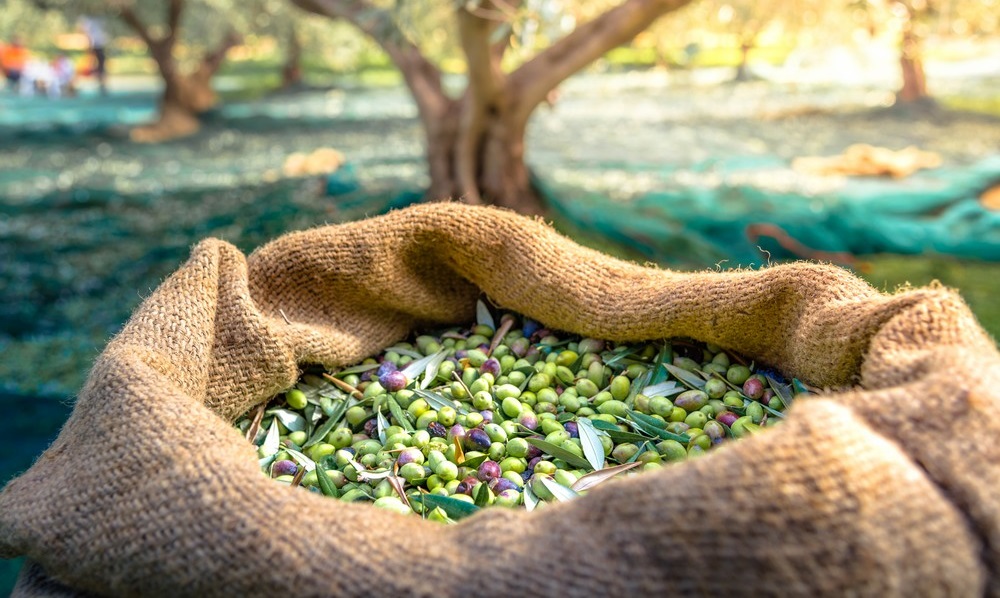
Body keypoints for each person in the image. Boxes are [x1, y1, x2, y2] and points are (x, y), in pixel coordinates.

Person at [78, 16, 108, 94]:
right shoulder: (89, 20)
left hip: (97, 46)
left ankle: (102, 83)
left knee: (100, 66)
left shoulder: (91, 21)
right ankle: (100, 82)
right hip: (95, 46)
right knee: (96, 66)